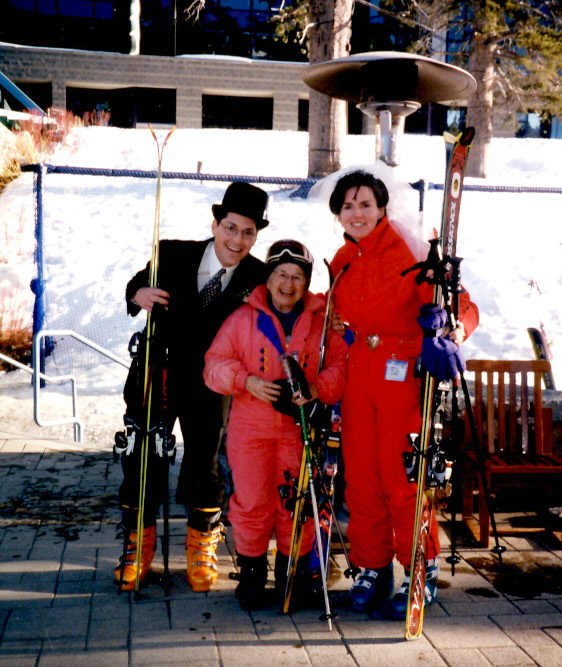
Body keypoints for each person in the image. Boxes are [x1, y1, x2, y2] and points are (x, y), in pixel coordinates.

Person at [326, 170, 479, 618]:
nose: (357, 213)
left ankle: (419, 565)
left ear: (382, 208)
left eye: (365, 205)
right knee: (363, 482)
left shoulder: (413, 250)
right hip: (359, 377)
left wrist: (449, 332)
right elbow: (334, 312)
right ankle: (371, 567)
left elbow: (463, 305)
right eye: (348, 206)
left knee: (404, 479)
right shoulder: (341, 259)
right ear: (338, 213)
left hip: (404, 376)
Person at [114, 181, 269, 592]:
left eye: (248, 232)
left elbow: (291, 303)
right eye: (231, 228)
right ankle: (138, 543)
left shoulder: (258, 278)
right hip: (158, 373)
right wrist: (138, 292)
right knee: (142, 455)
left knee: (205, 460)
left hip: (212, 383)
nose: (238, 240)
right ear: (216, 223)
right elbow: (136, 284)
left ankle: (201, 543)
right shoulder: (173, 253)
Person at [203, 240, 348, 610]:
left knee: (294, 502)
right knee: (251, 501)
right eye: (281, 274)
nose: (288, 283)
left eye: (297, 276)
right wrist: (245, 381)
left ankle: (291, 573)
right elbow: (213, 366)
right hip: (250, 425)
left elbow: (340, 367)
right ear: (268, 279)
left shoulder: (320, 321)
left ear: (306, 282)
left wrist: (316, 389)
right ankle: (251, 573)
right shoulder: (242, 318)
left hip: (297, 428)